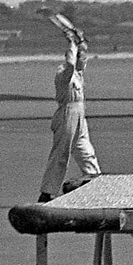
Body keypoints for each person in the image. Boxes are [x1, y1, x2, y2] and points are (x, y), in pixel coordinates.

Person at [38, 11, 101, 202]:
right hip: (67, 113)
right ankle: (48, 192)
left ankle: (94, 179)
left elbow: (81, 60)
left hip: (79, 113)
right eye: (81, 56)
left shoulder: (79, 74)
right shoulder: (65, 73)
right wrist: (72, 44)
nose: (84, 59)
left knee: (85, 148)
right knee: (61, 152)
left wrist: (80, 40)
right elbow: (71, 63)